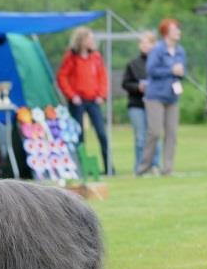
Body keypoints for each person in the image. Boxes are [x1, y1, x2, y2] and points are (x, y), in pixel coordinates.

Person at [57, 27, 111, 174]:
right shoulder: (71, 57)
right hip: (78, 101)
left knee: (102, 133)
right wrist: (71, 95)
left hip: (94, 100)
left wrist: (102, 94)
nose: (92, 42)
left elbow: (103, 77)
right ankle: (81, 168)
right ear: (81, 40)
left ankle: (109, 167)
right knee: (79, 136)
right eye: (89, 39)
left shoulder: (96, 57)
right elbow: (62, 77)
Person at [137, 18, 186, 177]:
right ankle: (143, 167)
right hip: (155, 96)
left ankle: (168, 168)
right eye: (175, 29)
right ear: (166, 32)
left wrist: (179, 74)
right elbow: (151, 70)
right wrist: (171, 70)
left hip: (172, 97)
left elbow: (180, 72)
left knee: (172, 133)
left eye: (178, 29)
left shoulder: (180, 51)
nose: (178, 32)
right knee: (155, 132)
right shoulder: (158, 49)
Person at [122, 31, 161, 175]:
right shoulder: (133, 64)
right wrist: (138, 87)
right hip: (136, 104)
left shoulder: (159, 63)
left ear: (154, 44)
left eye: (148, 42)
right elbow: (125, 83)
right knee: (140, 137)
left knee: (155, 134)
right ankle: (140, 167)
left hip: (155, 104)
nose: (145, 45)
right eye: (142, 42)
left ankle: (155, 165)